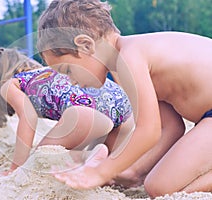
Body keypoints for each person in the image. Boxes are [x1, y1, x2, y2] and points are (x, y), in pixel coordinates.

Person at [36, 0, 212, 198]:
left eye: (67, 70)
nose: (72, 82)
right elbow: (169, 127)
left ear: (85, 45)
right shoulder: (128, 62)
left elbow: (149, 131)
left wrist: (101, 171)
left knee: (160, 187)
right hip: (207, 118)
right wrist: (130, 171)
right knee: (155, 183)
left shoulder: (128, 58)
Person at [0, 48, 132, 175]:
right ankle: (97, 160)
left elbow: (28, 117)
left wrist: (16, 167)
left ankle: (85, 157)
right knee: (104, 169)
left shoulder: (10, 85)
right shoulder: (45, 73)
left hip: (84, 113)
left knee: (41, 160)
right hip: (123, 110)